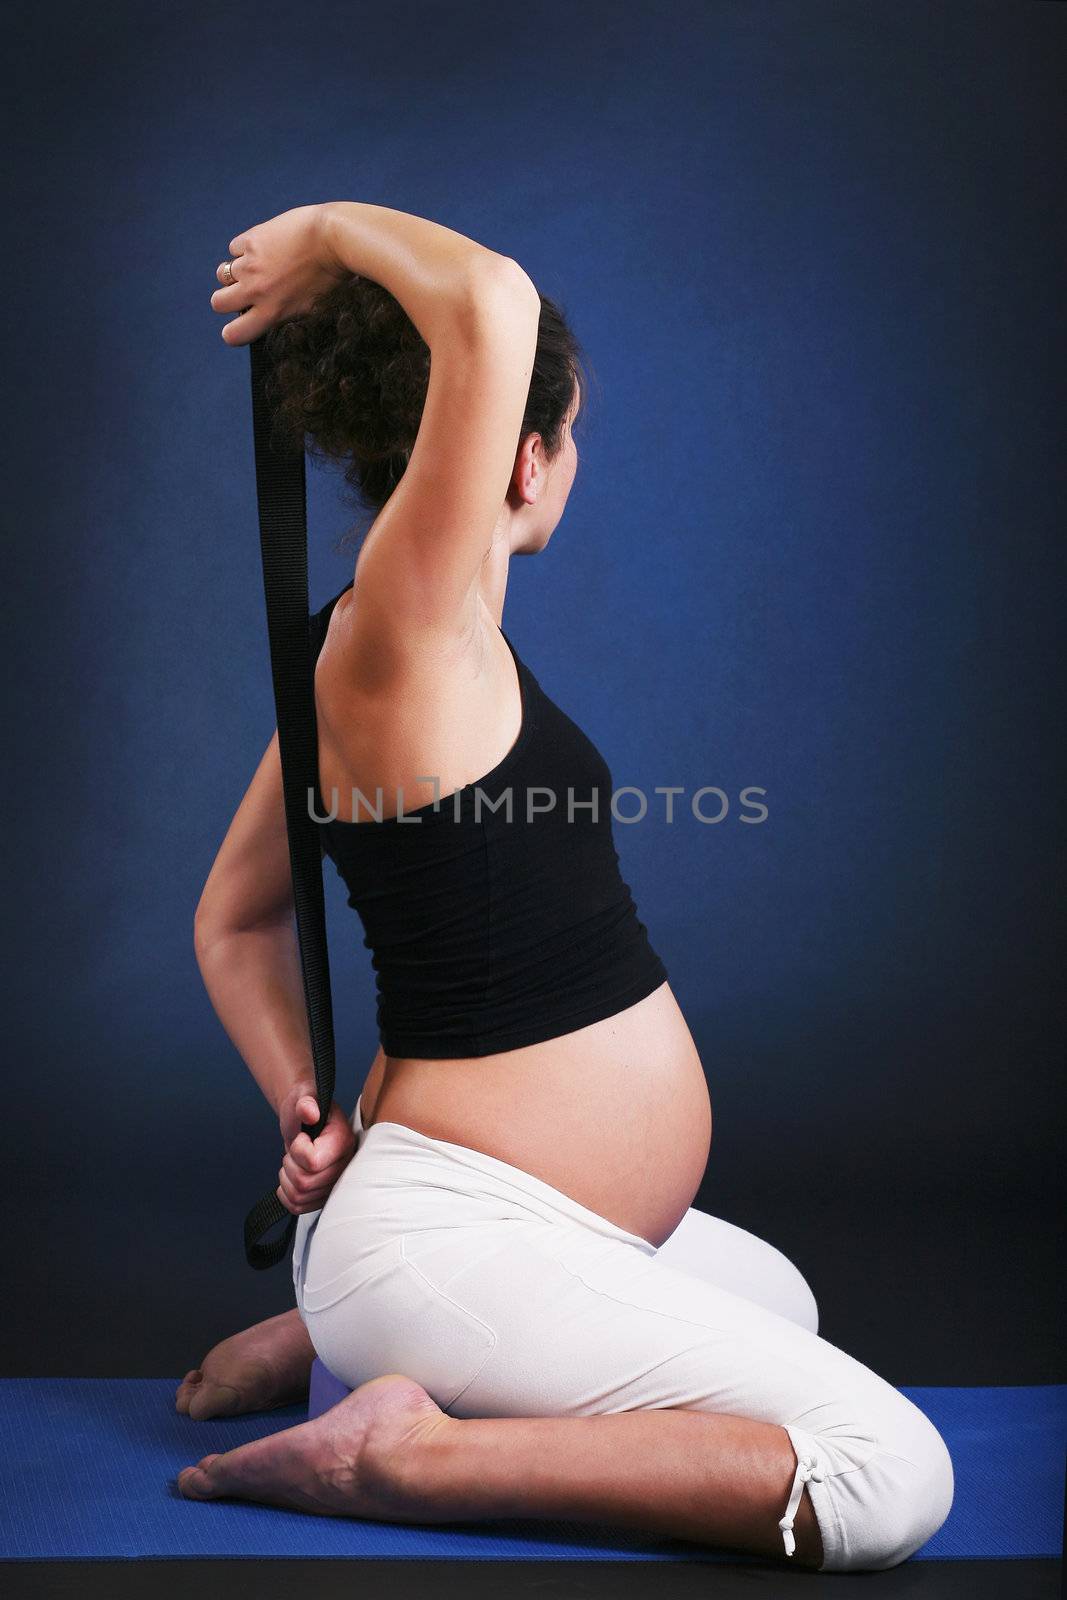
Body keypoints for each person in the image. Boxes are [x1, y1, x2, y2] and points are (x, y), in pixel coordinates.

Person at [177, 201, 953, 1572]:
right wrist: (330, 234)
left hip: (464, 1227)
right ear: (521, 460)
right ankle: (406, 1453)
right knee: (888, 1475)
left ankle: (334, 1331)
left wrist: (303, 1102)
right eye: (572, 431)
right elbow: (493, 299)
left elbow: (233, 918)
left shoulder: (395, 651)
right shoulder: (404, 636)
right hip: (453, 1230)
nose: (574, 459)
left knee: (783, 1302)